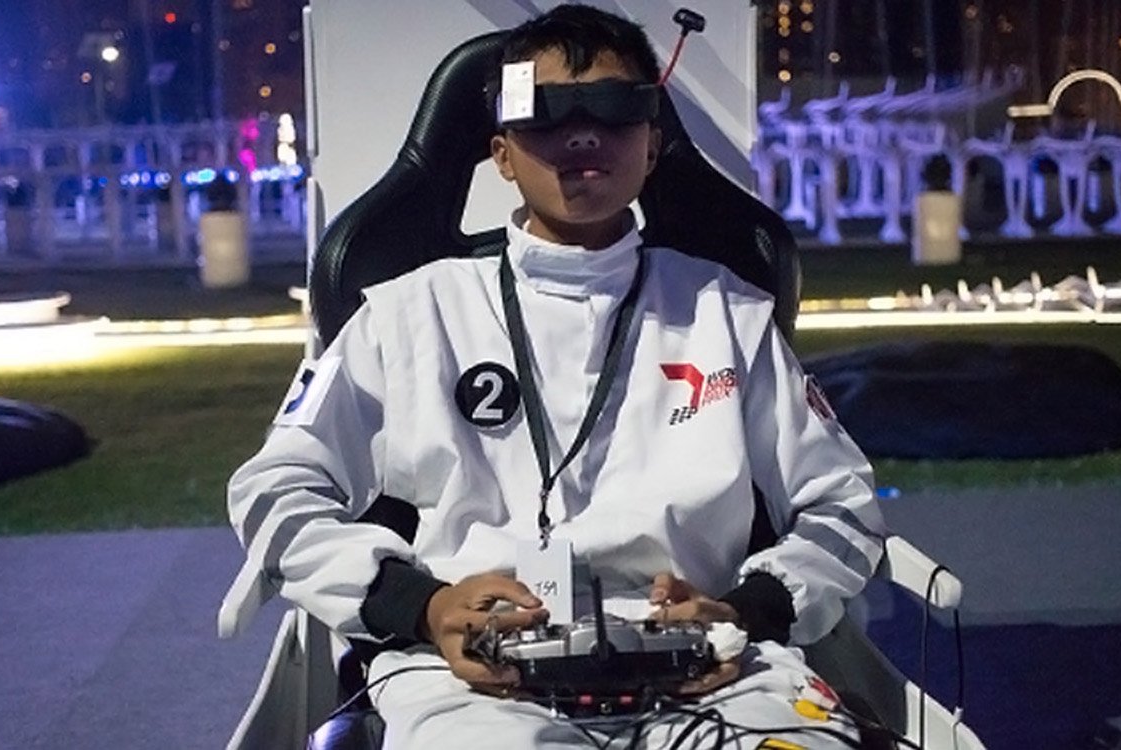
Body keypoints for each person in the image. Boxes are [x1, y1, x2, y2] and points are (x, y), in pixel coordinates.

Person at [227, 5, 886, 748]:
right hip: (475, 670)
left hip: (705, 661)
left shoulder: (728, 314)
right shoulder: (408, 315)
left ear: (652, 143)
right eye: (543, 115)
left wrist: (748, 610)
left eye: (612, 109)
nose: (581, 135)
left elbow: (844, 505)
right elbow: (272, 489)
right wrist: (420, 604)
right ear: (501, 155)